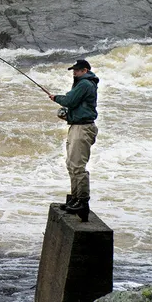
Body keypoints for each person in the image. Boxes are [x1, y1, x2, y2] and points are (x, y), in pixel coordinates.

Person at [48, 59, 99, 221]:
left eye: (77, 70)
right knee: (71, 164)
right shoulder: (83, 83)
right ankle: (75, 199)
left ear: (85, 70)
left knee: (78, 166)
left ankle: (82, 201)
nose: (74, 73)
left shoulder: (85, 84)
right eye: (73, 70)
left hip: (83, 128)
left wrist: (56, 98)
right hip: (76, 126)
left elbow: (70, 100)